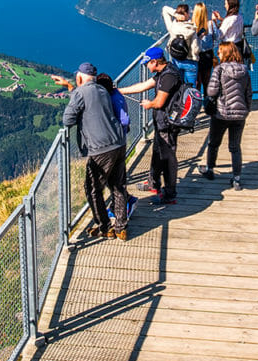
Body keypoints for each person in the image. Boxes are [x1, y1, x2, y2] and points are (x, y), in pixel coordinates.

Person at [61, 62, 132, 239]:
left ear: (79, 77)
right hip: (119, 142)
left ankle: (104, 227)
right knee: (118, 184)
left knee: (92, 188)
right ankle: (121, 227)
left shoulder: (80, 92)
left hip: (100, 148)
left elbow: (67, 120)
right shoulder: (102, 90)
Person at [136, 46, 184, 205]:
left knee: (168, 157)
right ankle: (153, 183)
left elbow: (160, 101)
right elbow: (143, 86)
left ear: (155, 62)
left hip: (168, 124)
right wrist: (119, 90)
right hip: (162, 122)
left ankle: (170, 194)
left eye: (147, 64)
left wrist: (149, 104)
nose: (146, 66)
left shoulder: (168, 76)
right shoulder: (165, 71)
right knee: (158, 152)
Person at [202, 41, 251, 190]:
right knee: (235, 147)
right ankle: (236, 178)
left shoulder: (219, 70)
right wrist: (246, 110)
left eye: (220, 52)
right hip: (240, 114)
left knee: (214, 143)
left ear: (226, 53)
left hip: (221, 113)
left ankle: (210, 169)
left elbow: (211, 92)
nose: (218, 54)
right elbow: (248, 93)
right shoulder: (245, 70)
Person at [190, 1, 216, 95]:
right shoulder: (211, 25)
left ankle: (196, 104)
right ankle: (208, 104)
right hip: (208, 55)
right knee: (207, 82)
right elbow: (217, 36)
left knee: (197, 82)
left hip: (195, 55)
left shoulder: (191, 26)